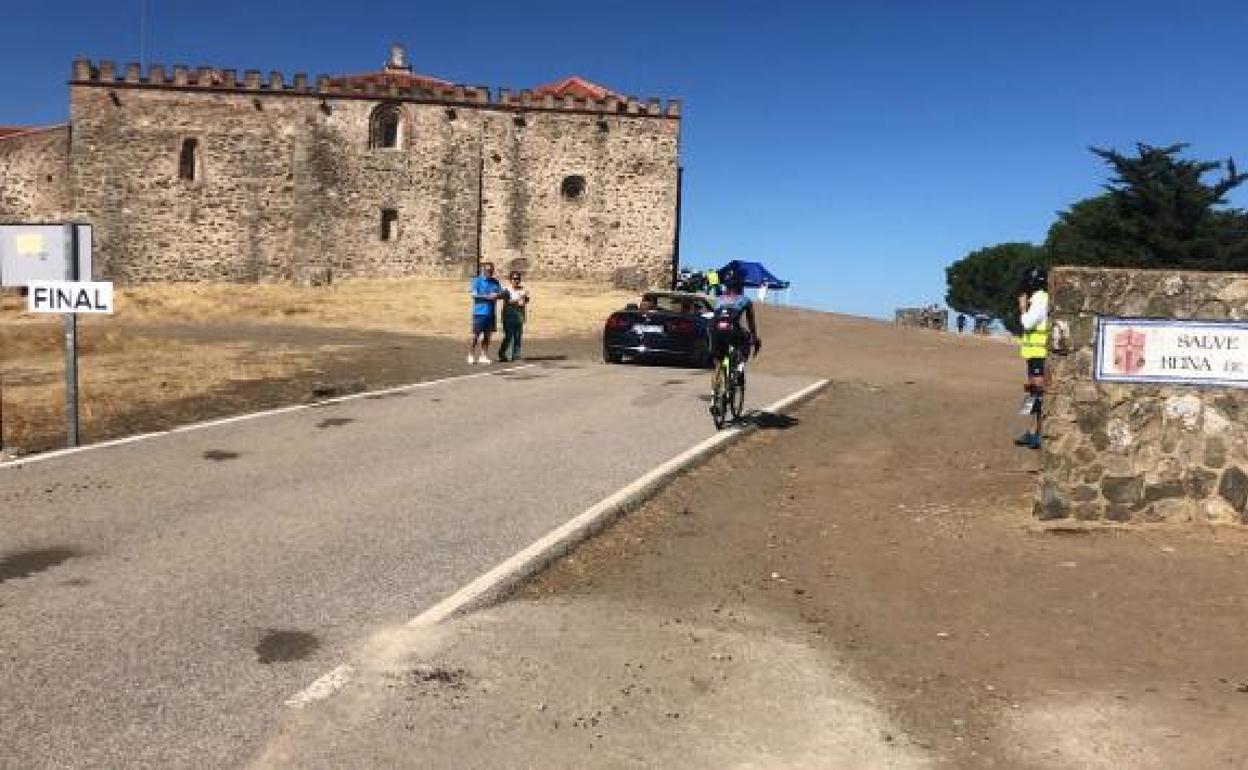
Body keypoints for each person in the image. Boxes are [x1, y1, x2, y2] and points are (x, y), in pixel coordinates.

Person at [708, 267, 761, 388]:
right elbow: (751, 321)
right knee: (746, 337)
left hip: (715, 329)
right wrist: (754, 337)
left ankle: (713, 399)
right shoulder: (744, 300)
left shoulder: (719, 299)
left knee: (719, 362)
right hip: (732, 329)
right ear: (740, 286)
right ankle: (739, 368)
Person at [1014, 266, 1049, 449]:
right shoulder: (1038, 299)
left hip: (1039, 355)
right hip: (1034, 354)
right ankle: (1032, 432)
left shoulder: (1040, 300)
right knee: (1033, 393)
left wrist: (1022, 308)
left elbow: (1028, 322)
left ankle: (1039, 434)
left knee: (1039, 394)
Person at [468, 262, 502, 364]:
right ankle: (471, 354)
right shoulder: (477, 280)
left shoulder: (495, 282)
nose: (489, 272)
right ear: (483, 270)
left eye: (491, 270)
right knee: (476, 335)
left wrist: (497, 296)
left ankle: (483, 355)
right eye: (487, 270)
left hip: (491, 313)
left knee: (487, 335)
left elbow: (499, 293)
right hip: (479, 313)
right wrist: (487, 297)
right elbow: (473, 295)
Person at [497, 271, 530, 362]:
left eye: (518, 279)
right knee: (508, 335)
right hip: (508, 314)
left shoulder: (522, 290)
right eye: (514, 279)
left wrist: (525, 298)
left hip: (519, 314)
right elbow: (509, 301)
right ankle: (502, 353)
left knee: (518, 335)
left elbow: (525, 301)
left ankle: (516, 355)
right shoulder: (506, 290)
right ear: (510, 280)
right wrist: (520, 298)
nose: (516, 281)